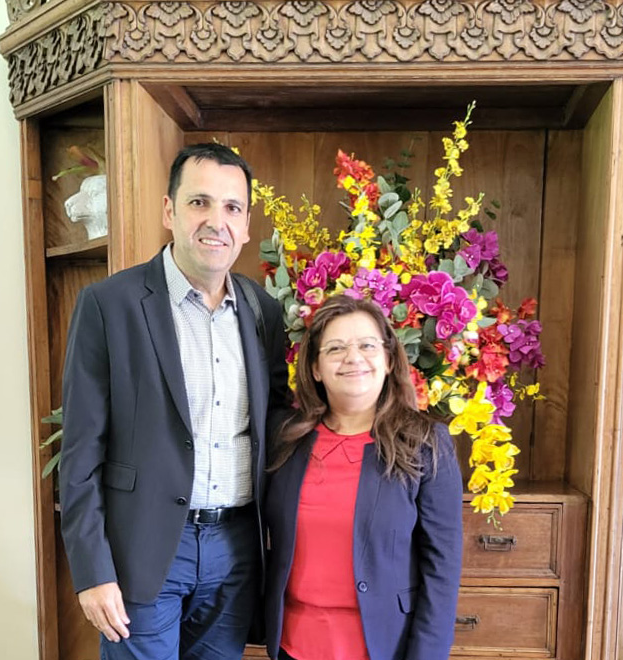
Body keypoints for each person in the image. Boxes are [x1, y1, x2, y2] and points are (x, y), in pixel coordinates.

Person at [59, 143, 289, 660]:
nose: (216, 221)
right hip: (143, 549)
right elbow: (80, 453)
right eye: (199, 202)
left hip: (235, 550)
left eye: (232, 207)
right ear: (169, 210)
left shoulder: (262, 311)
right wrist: (92, 573)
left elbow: (276, 421)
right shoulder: (109, 305)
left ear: (247, 224)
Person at [264, 295, 463, 660]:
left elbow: (442, 568)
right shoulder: (285, 437)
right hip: (294, 645)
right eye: (336, 348)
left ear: (388, 360)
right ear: (315, 369)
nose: (353, 357)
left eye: (367, 345)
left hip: (386, 646)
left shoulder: (426, 443)